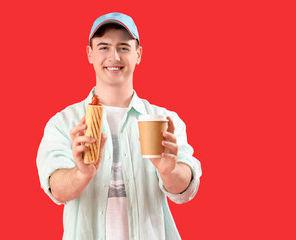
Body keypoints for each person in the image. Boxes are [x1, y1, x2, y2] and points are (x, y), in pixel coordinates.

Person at [36, 12, 202, 240]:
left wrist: (169, 171)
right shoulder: (65, 122)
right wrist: (81, 174)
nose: (114, 56)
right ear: (89, 54)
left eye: (124, 47)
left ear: (138, 54)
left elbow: (185, 189)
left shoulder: (163, 120)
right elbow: (56, 188)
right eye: (103, 47)